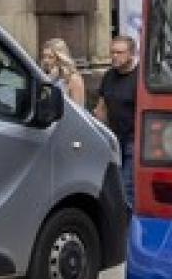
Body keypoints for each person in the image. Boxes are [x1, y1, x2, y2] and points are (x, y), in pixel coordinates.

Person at [93, 35, 139, 207]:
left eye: (120, 52)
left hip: (134, 139)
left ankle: (127, 228)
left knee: (126, 188)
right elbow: (102, 107)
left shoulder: (140, 78)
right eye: (112, 52)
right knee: (112, 187)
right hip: (113, 138)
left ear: (131, 54)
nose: (114, 56)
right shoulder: (109, 76)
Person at [37, 38, 86, 110]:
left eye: (50, 57)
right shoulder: (46, 76)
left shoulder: (73, 79)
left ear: (60, 59)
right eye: (44, 56)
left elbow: (77, 109)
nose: (46, 60)